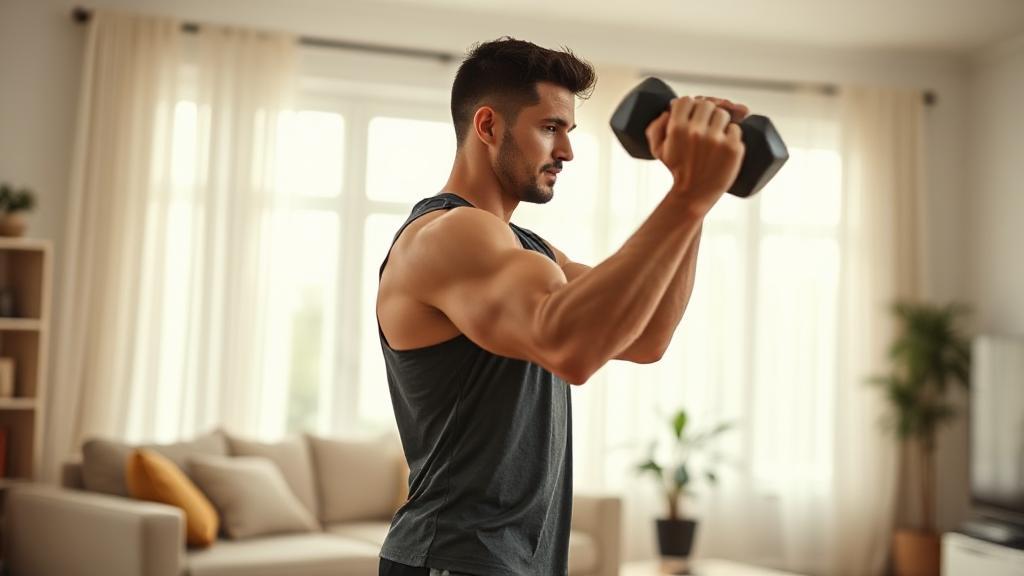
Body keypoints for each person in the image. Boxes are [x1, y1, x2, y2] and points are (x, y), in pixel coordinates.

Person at [376, 37, 748, 576]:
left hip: (516, 561)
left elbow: (647, 337)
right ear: (488, 127)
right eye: (550, 127)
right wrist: (687, 194)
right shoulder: (448, 236)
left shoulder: (530, 250)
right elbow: (569, 348)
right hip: (453, 560)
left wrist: (697, 200)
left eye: (568, 131)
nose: (567, 152)